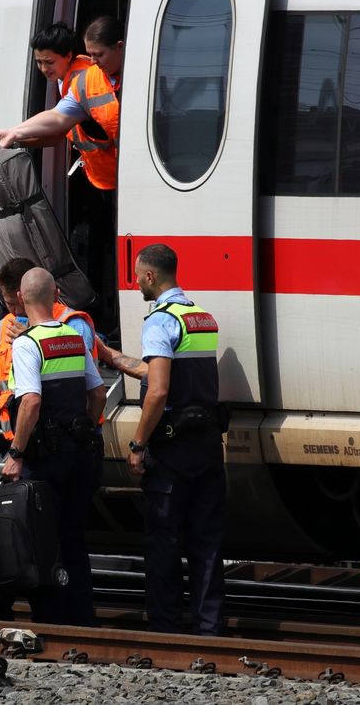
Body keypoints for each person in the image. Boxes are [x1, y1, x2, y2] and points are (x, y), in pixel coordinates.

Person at [96, 243, 226, 636]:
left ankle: (166, 629)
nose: (136, 283)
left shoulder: (159, 321)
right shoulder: (200, 317)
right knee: (207, 544)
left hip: (171, 452)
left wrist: (137, 445)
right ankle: (210, 628)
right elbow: (156, 370)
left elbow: (159, 390)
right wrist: (112, 357)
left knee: (164, 542)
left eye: (137, 276)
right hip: (207, 448)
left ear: (150, 276)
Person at [0, 263, 105, 624]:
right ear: (55, 296)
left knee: (42, 539)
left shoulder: (27, 343)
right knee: (73, 538)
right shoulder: (73, 338)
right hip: (78, 453)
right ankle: (82, 619)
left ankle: (52, 620)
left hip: (45, 458)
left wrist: (16, 453)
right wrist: (86, 428)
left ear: (20, 298)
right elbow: (98, 392)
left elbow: (30, 401)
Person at [0, 16, 126, 331]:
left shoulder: (87, 78)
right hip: (100, 179)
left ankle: (101, 320)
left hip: (113, 183)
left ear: (68, 56)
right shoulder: (79, 80)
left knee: (94, 253)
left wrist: (14, 133)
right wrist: (13, 135)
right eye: (38, 62)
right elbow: (57, 126)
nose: (43, 69)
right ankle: (98, 318)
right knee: (91, 249)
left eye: (49, 61)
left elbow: (58, 122)